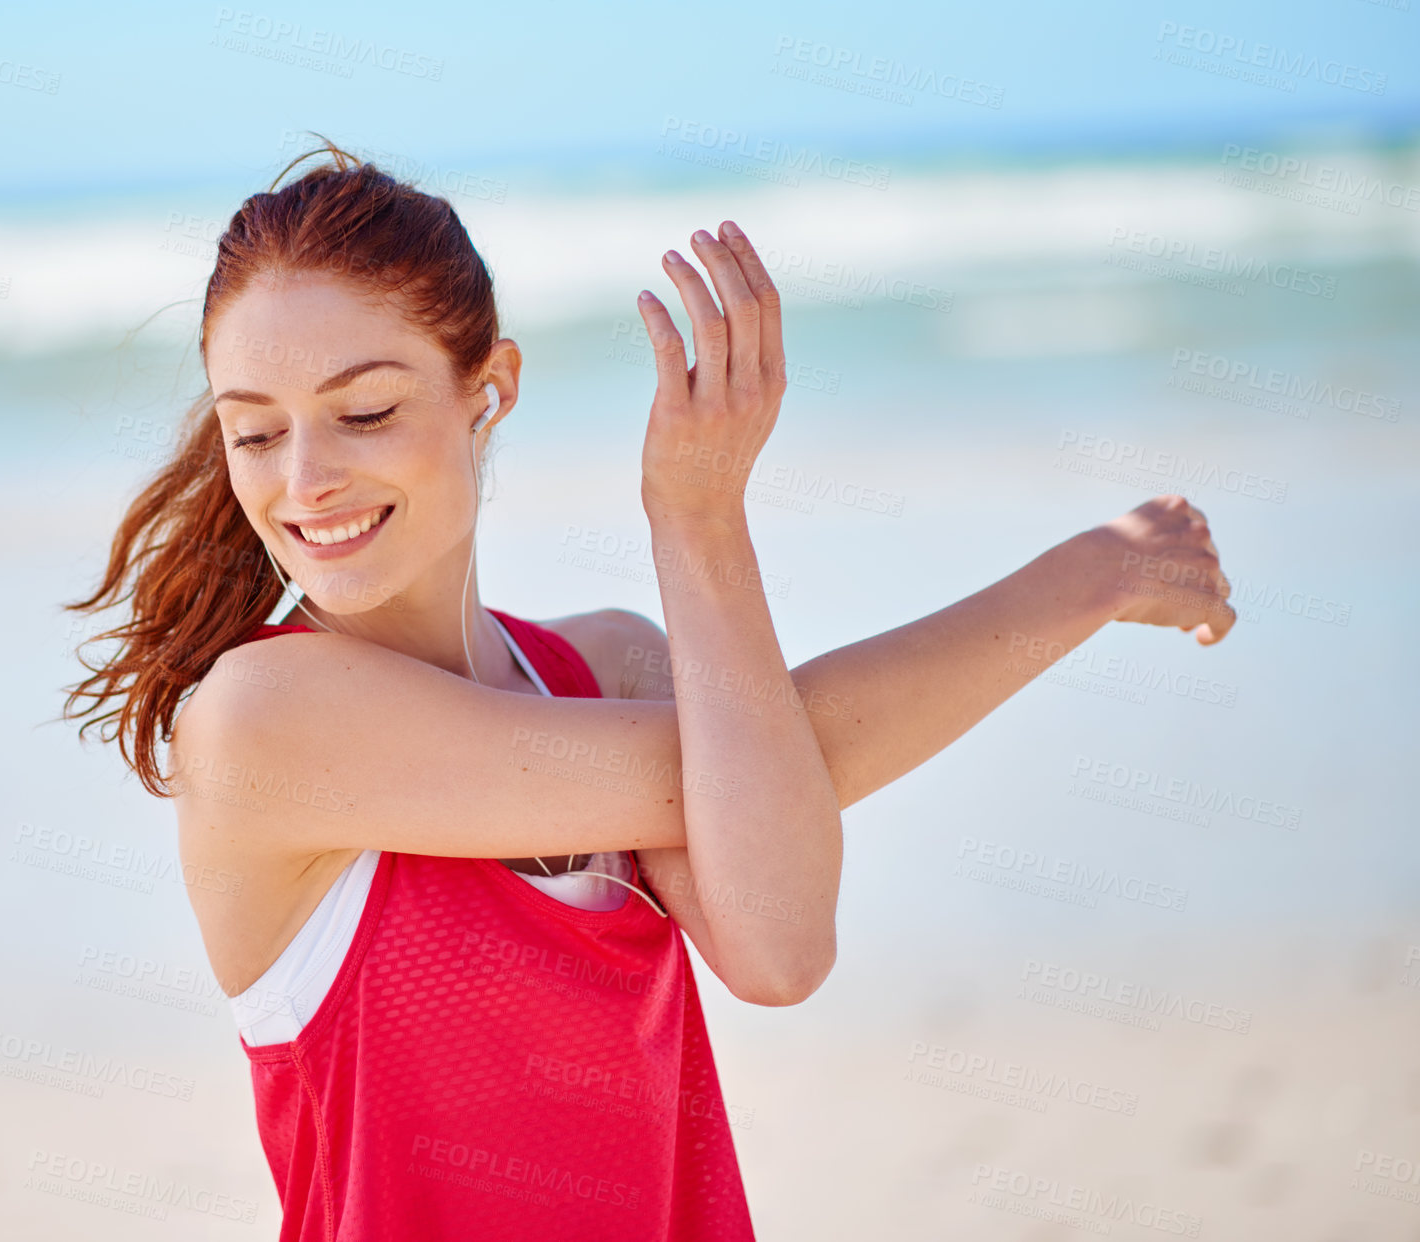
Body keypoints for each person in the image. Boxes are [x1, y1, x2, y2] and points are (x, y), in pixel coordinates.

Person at [62, 138, 1236, 1240]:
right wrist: (1086, 578)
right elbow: (759, 770)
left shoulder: (603, 668)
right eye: (255, 435)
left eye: (364, 412)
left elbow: (777, 941)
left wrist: (699, 521)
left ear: (491, 389)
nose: (305, 481)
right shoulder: (265, 722)